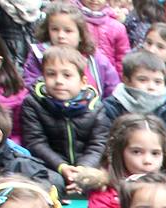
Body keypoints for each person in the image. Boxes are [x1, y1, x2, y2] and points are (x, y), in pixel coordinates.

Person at [21, 46, 111, 192]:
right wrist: (61, 167)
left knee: (97, 183)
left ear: (83, 82)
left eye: (67, 75)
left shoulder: (96, 107)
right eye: (51, 74)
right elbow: (35, 142)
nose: (59, 81)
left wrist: (82, 170)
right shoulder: (33, 103)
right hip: (49, 166)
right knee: (53, 183)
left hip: (87, 167)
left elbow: (98, 144)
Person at [101, 50, 166, 164]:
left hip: (162, 168)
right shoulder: (113, 107)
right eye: (143, 80)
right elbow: (107, 146)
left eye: (157, 82)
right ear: (126, 80)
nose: (151, 87)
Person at [22, 1, 121, 97]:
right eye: (55, 29)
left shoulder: (95, 59)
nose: (61, 35)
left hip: (90, 110)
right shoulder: (39, 55)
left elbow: (113, 91)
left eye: (68, 31)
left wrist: (100, 111)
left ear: (80, 34)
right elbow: (30, 85)